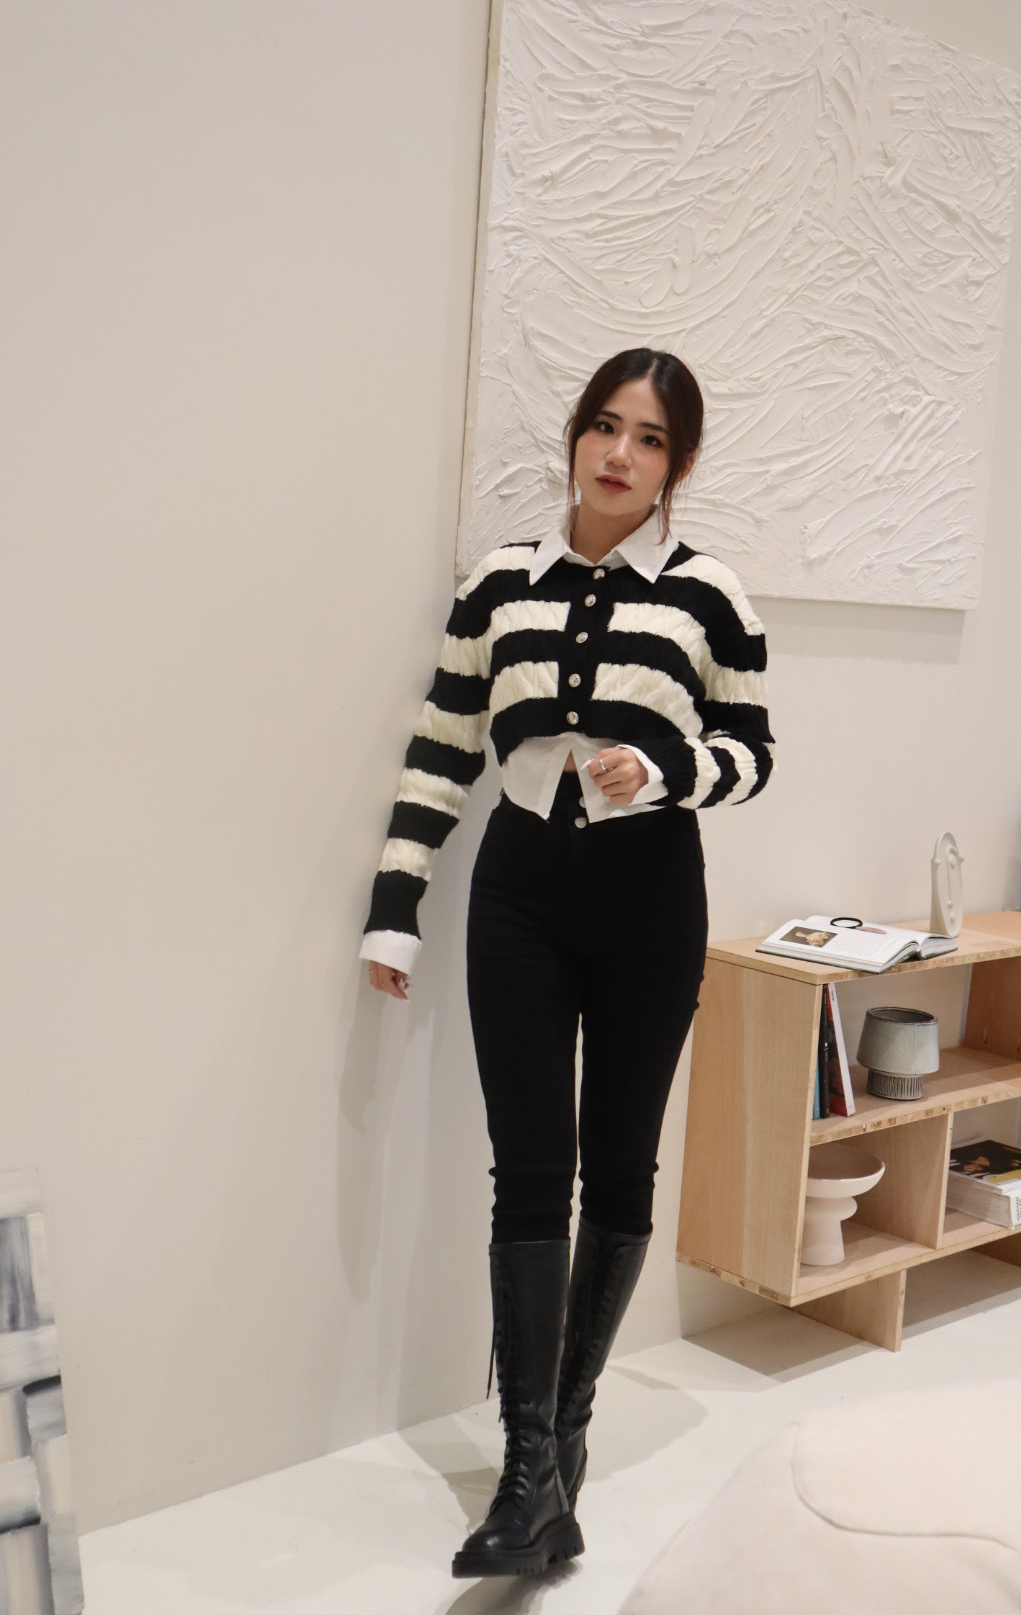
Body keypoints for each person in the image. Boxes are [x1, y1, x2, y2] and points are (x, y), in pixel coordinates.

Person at [360, 348, 774, 1578]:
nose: (619, 454)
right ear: (577, 435)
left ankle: (569, 1427)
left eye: (649, 439)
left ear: (677, 465)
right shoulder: (498, 584)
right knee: (530, 1168)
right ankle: (529, 1468)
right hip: (520, 893)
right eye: (605, 425)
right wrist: (395, 906)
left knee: (620, 1162)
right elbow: (442, 746)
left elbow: (753, 751)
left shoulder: (711, 596)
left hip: (653, 899)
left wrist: (668, 770)